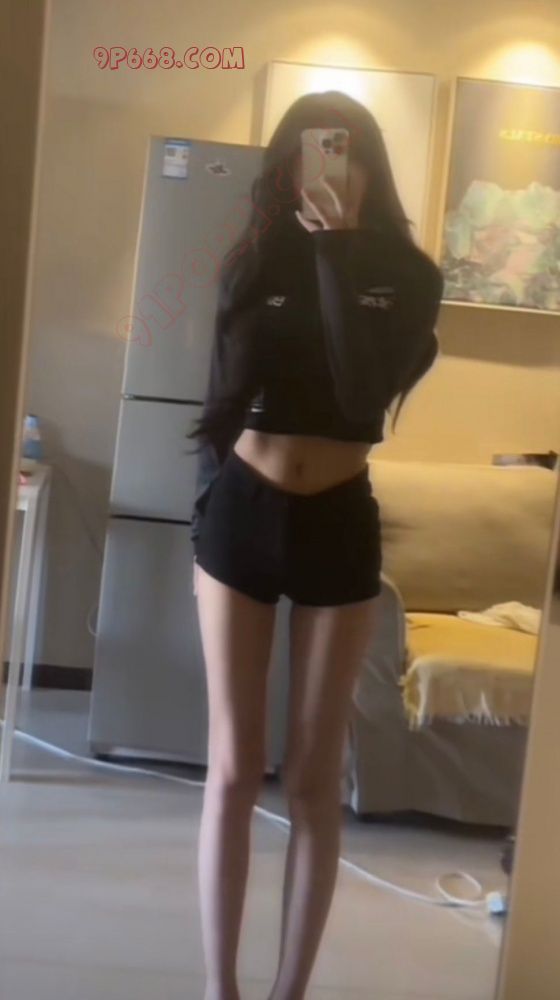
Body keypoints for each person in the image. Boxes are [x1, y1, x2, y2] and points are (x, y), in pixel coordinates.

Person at [185, 90, 444, 1000]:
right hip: (241, 509)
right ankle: (220, 988)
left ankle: (289, 991)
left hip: (339, 516)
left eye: (344, 152)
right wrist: (204, 512)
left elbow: (362, 392)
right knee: (230, 769)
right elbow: (221, 398)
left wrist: (336, 249)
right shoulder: (255, 260)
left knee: (312, 777)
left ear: (370, 165)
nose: (328, 171)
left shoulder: (408, 277)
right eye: (307, 154)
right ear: (285, 168)